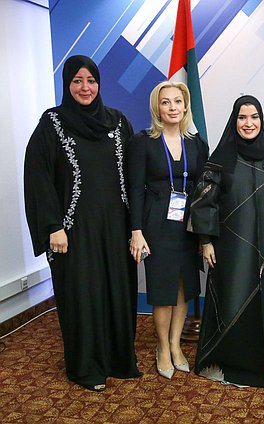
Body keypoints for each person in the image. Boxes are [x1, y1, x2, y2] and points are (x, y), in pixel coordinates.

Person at [23, 55, 141, 391]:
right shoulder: (52, 123)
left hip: (116, 229)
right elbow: (37, 176)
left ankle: (119, 359)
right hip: (73, 232)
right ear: (67, 85)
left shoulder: (118, 123)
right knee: (83, 297)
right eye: (77, 81)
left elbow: (134, 178)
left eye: (90, 80)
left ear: (99, 83)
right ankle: (86, 367)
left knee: (117, 293)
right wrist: (51, 226)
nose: (85, 87)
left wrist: (138, 227)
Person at [188, 95, 264, 388]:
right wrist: (206, 241)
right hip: (230, 245)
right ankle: (231, 355)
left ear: (261, 120)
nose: (248, 123)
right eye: (242, 117)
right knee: (234, 296)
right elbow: (204, 202)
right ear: (234, 120)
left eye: (254, 117)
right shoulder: (220, 158)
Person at [127, 81, 207, 379]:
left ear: (186, 106)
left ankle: (176, 345)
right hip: (156, 223)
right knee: (164, 290)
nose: (172, 107)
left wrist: (203, 234)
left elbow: (203, 191)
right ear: (157, 107)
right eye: (166, 102)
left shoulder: (196, 144)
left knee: (185, 286)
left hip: (187, 225)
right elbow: (135, 189)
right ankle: (162, 347)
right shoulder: (143, 141)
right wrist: (136, 230)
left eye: (177, 101)